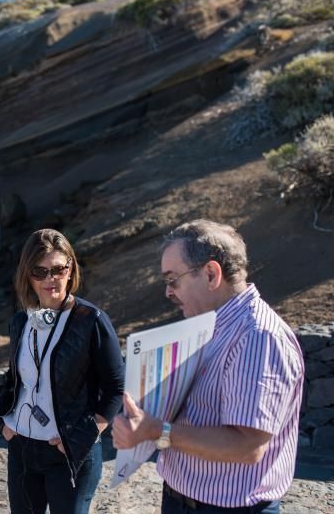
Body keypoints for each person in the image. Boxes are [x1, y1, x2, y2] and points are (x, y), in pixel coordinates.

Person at [112, 219, 304, 513]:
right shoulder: (209, 325)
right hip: (184, 498)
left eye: (172, 279)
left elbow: (247, 446)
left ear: (212, 274)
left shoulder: (257, 336)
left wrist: (156, 430)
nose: (168, 292)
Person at [0, 228, 125, 514]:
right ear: (27, 275)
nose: (51, 279)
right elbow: (14, 380)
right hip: (22, 448)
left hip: (68, 450)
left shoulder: (91, 321)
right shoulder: (21, 321)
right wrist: (6, 425)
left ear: (70, 269)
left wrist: (84, 435)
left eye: (59, 269)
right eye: (40, 271)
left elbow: (115, 388)